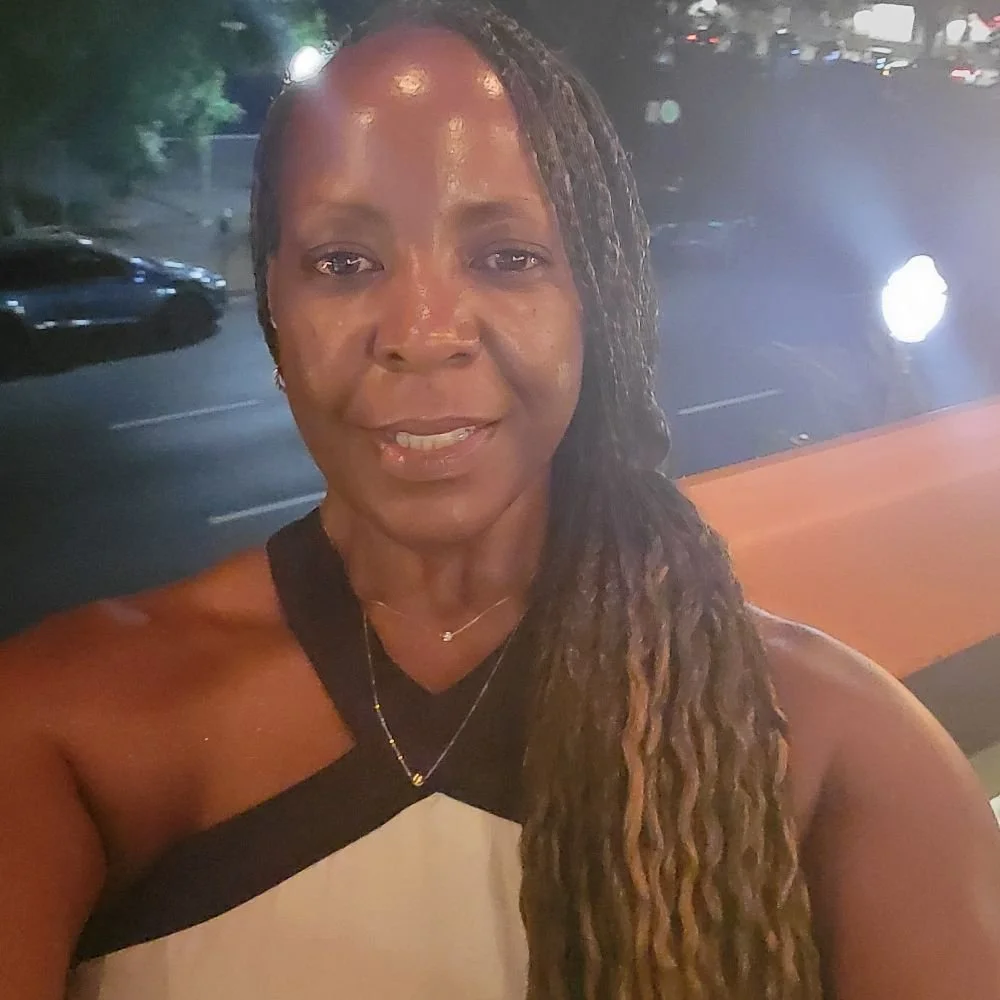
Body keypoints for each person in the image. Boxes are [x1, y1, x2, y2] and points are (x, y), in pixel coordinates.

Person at [1, 2, 998, 998]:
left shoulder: (846, 756)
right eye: (344, 263)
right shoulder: (61, 730)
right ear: (275, 312)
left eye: (506, 256)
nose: (424, 332)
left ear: (593, 301)